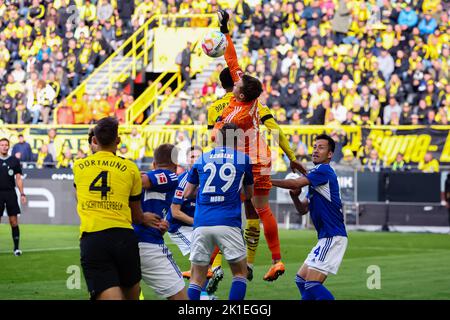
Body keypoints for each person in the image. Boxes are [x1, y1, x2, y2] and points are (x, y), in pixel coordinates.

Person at [212, 10, 307, 282]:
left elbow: (217, 133)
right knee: (262, 209)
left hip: (244, 162)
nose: (235, 79)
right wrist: (224, 28)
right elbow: (231, 58)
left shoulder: (234, 113)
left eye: (237, 82)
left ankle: (210, 265)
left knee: (227, 209)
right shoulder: (253, 100)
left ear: (239, 93)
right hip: (262, 155)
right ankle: (276, 261)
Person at [73, 117, 161, 300]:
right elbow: (136, 215)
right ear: (118, 141)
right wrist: (146, 218)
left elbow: (78, 197)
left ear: (94, 141)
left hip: (94, 238)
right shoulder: (130, 168)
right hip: (123, 239)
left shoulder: (79, 166)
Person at [271, 134, 348, 300]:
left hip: (333, 235)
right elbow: (302, 209)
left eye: (321, 148)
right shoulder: (316, 177)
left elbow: (295, 183)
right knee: (301, 280)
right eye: (314, 147)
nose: (315, 151)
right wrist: (294, 196)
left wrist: (267, 181)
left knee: (312, 284)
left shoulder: (324, 170)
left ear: (330, 154)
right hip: (326, 236)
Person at [184, 123, 254, 300]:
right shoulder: (243, 159)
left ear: (217, 138)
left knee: (196, 278)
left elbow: (187, 193)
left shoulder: (202, 158)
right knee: (240, 273)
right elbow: (249, 193)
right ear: (237, 140)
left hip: (202, 223)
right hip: (228, 221)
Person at [133, 143, 187, 300]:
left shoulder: (149, 176)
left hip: (126, 242)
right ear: (176, 166)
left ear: (154, 163)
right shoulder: (170, 176)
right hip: (148, 244)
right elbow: (142, 181)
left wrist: (160, 223)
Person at [168, 146, 224, 299]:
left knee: (207, 250)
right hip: (178, 227)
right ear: (187, 160)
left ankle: (204, 289)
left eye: (199, 156)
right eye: (192, 157)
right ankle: (203, 294)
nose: (196, 159)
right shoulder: (183, 180)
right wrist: (199, 222)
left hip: (196, 225)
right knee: (201, 256)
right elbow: (175, 212)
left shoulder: (208, 179)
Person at [0, 138, 26, 256]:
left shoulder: (14, 161)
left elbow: (18, 178)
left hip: (10, 193)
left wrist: (22, 193)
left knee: (14, 221)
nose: (4, 147)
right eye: (2, 145)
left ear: (9, 147)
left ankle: (16, 248)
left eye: (6, 145)